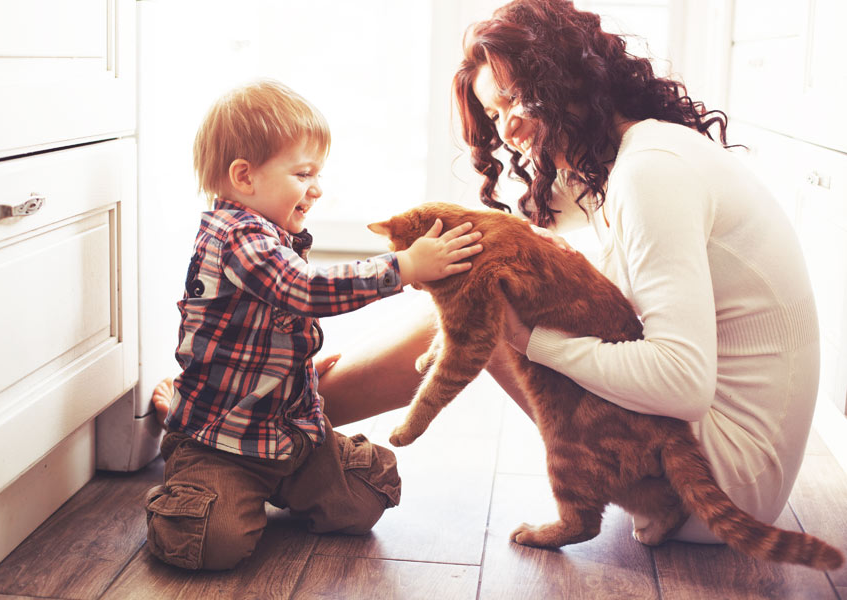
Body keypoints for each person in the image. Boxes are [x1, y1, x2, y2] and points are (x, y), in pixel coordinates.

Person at [323, 0, 820, 546]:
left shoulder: (651, 173)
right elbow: (500, 232)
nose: (506, 127)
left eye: (514, 99)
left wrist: (531, 341)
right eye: (492, 113)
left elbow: (683, 384)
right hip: (706, 456)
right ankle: (301, 392)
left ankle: (279, 419)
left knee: (478, 308)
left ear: (566, 79)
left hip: (718, 482)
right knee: (470, 276)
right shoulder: (622, 159)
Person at [144, 79, 483, 571]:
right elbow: (305, 290)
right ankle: (186, 466)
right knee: (209, 542)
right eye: (304, 173)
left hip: (289, 436)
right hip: (222, 442)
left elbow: (273, 324)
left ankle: (263, 485)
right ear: (244, 176)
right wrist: (404, 266)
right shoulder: (237, 236)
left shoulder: (270, 232)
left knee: (369, 496)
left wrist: (295, 371)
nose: (317, 188)